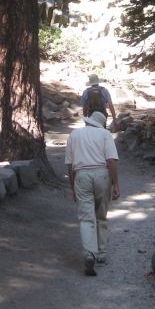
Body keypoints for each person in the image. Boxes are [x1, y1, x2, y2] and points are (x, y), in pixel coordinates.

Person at [64, 110, 120, 276]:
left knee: (86, 217)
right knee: (101, 215)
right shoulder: (105, 134)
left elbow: (70, 164)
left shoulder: (74, 135)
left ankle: (90, 253)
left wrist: (72, 186)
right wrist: (115, 183)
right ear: (100, 123)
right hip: (102, 175)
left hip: (81, 176)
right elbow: (111, 161)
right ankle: (101, 254)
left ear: (87, 122)